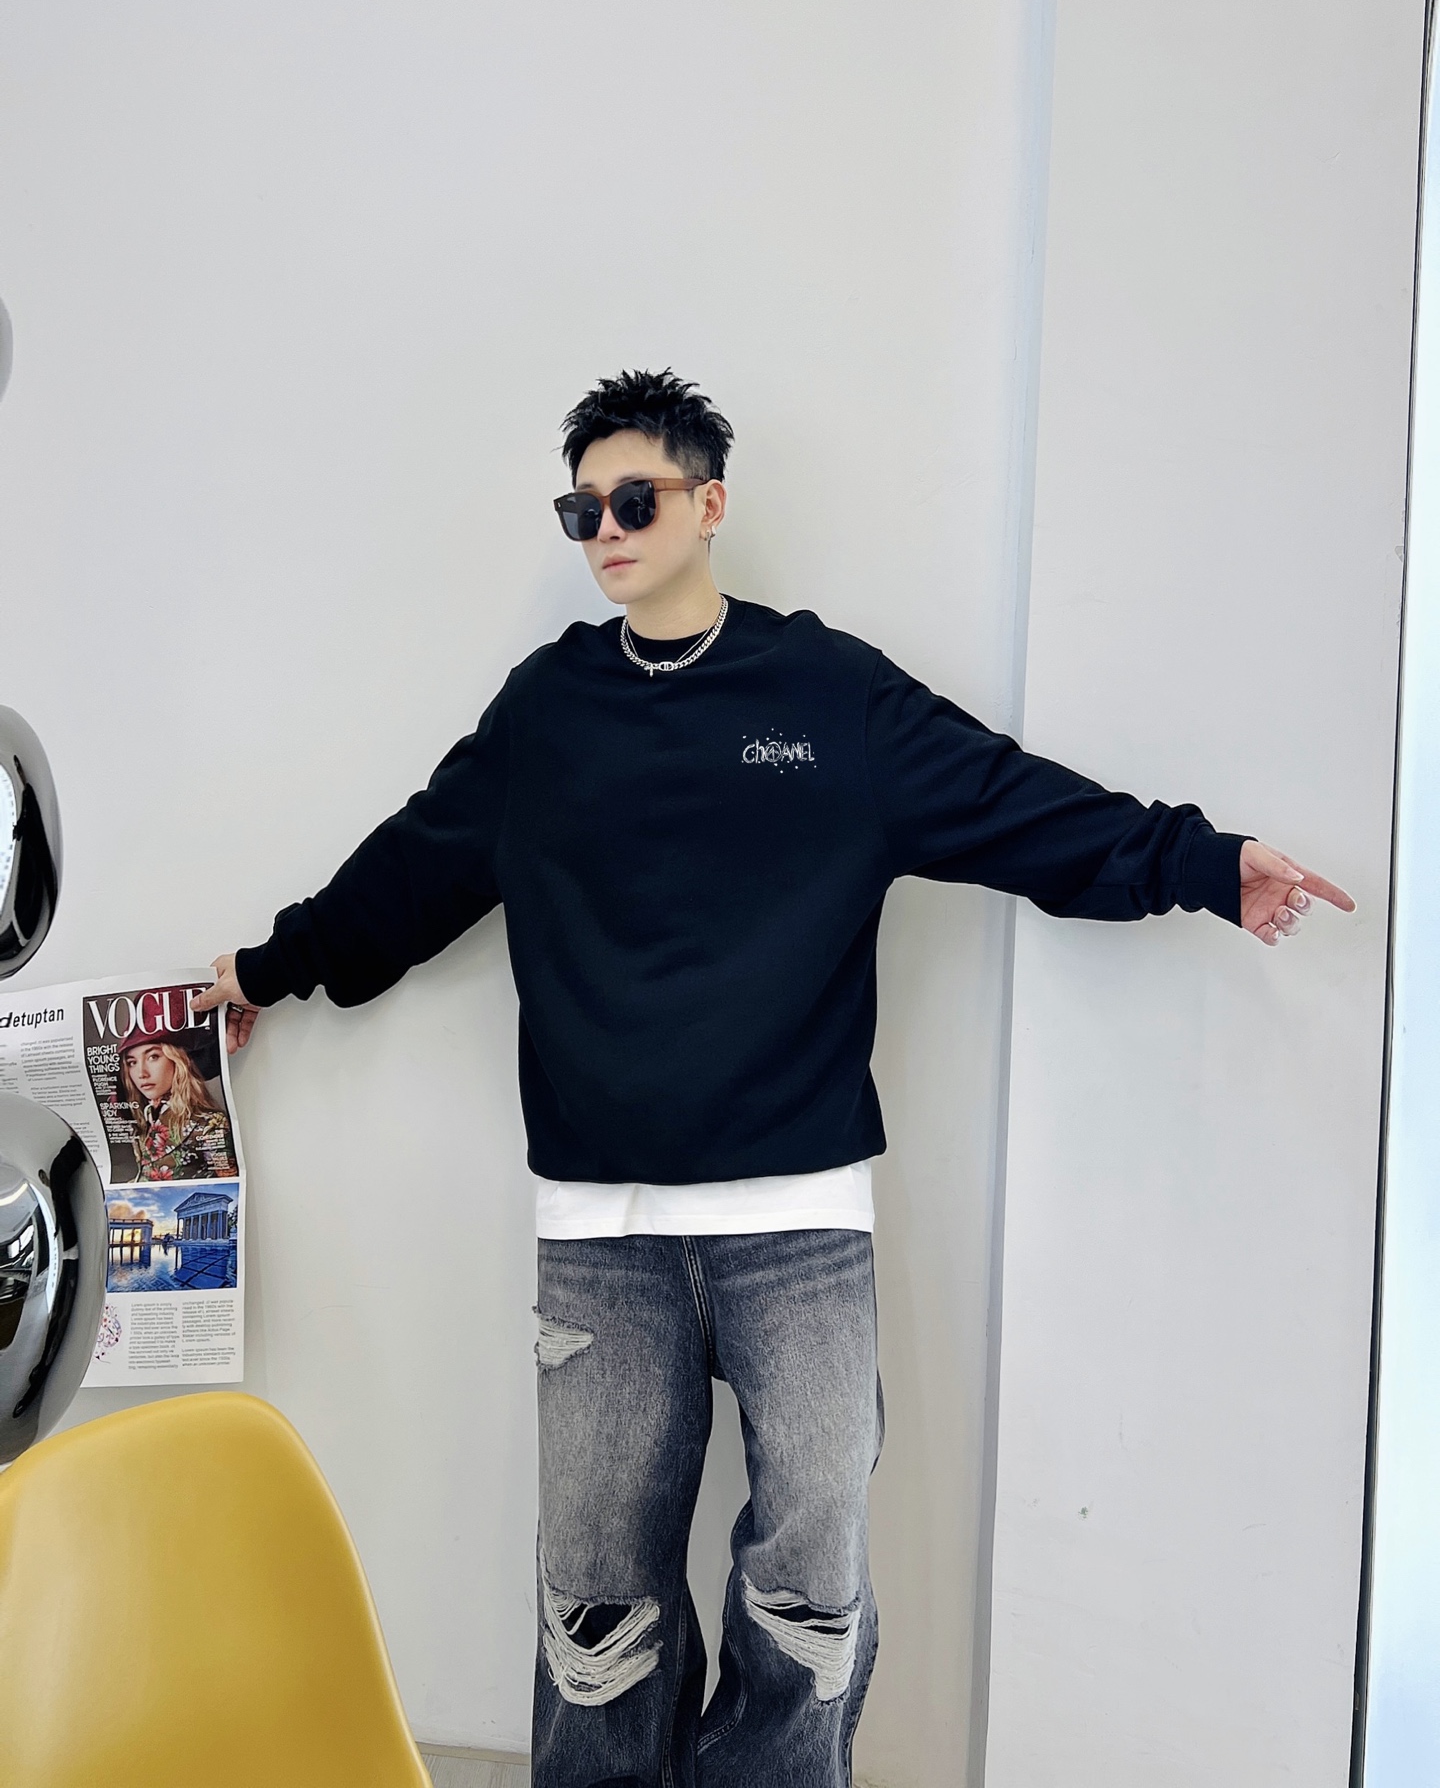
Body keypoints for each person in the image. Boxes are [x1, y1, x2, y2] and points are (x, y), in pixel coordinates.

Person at [195, 369, 1353, 1787]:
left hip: (800, 1230)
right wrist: (266, 971)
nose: (605, 531)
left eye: (634, 500)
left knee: (810, 1600)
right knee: (595, 1606)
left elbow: (1011, 803)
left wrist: (1206, 864)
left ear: (711, 505)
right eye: (580, 510)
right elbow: (410, 871)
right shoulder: (549, 713)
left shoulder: (826, 693)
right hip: (602, 1239)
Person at [118, 1026, 237, 1182]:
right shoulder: (140, 1123)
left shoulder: (210, 1123)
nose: (141, 1073)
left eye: (153, 1057)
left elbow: (228, 1186)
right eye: (132, 1062)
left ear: (177, 1059)